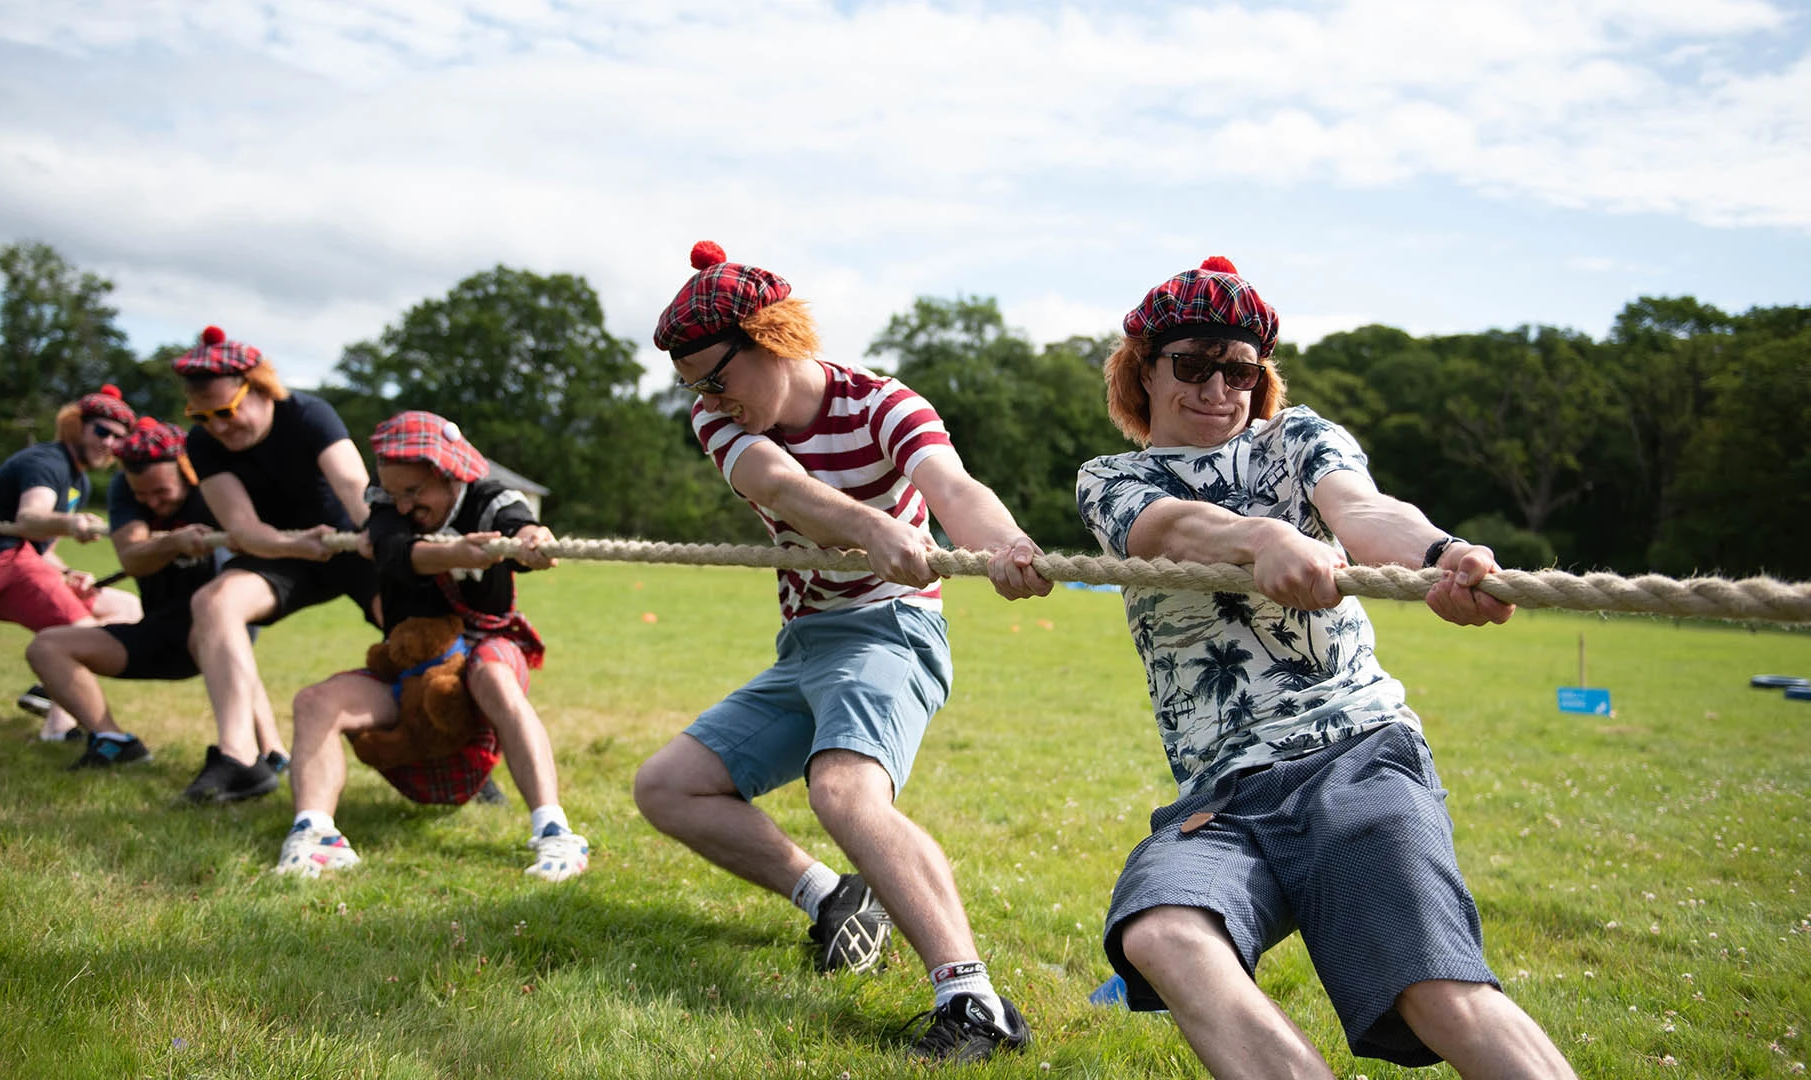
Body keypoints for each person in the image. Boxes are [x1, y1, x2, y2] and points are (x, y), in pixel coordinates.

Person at [1076, 256, 1575, 1078]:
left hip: (1357, 756)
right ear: (1143, 372)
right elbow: (1167, 529)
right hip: (1224, 791)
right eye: (1192, 364)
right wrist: (1265, 539)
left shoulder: (1298, 436)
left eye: (1239, 369)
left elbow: (1363, 508)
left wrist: (1441, 555)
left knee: (1435, 992)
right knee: (1161, 929)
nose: (1217, 388)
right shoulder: (1113, 478)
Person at [630, 241, 1051, 1065]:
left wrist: (1006, 548)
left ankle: (973, 1002)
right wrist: (869, 525)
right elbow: (779, 485)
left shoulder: (885, 405)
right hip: (807, 643)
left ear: (774, 337)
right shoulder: (721, 418)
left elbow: (952, 488)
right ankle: (832, 897)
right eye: (694, 387)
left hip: (892, 631)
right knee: (668, 787)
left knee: (846, 794)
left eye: (717, 377)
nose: (708, 399)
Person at [274, 410, 588, 881]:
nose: (401, 505)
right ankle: (315, 834)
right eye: (394, 492)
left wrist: (531, 539)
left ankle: (555, 834)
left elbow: (519, 524)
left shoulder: (490, 496)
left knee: (495, 679)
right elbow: (398, 554)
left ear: (448, 473)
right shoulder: (384, 504)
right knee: (315, 702)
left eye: (413, 492)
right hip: (412, 661)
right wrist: (455, 553)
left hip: (487, 643)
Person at [172, 326, 380, 804]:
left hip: (350, 542)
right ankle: (240, 759)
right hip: (281, 551)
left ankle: (455, 754)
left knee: (412, 624)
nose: (219, 427)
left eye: (226, 411)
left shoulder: (309, 415)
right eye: (203, 416)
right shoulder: (202, 444)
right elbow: (241, 526)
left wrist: (377, 538)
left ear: (261, 387)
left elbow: (355, 488)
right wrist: (297, 546)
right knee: (214, 603)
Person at [23, 417, 282, 772]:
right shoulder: (124, 489)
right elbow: (132, 557)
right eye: (143, 495)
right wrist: (175, 542)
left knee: (220, 630)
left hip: (212, 631)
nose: (153, 503)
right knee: (46, 647)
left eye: (162, 493)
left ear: (187, 473)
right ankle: (114, 741)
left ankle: (268, 751)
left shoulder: (216, 488)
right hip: (159, 633)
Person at [0, 384, 142, 741]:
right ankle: (89, 731)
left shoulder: (77, 481)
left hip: (20, 562)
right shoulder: (47, 463)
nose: (109, 443)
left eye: (118, 438)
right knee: (85, 636)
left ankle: (49, 699)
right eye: (102, 431)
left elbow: (42, 551)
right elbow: (30, 517)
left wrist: (68, 573)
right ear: (76, 425)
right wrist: (71, 523)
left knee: (127, 608)